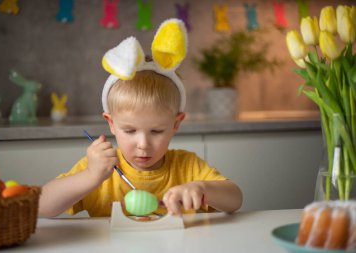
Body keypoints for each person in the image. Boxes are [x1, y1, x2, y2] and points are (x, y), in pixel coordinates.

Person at [39, 19, 242, 217]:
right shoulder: (99, 167)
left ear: (176, 124)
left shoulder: (187, 166)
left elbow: (235, 200)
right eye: (129, 131)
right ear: (111, 123)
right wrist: (90, 176)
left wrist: (201, 187)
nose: (143, 144)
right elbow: (41, 206)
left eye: (156, 131)